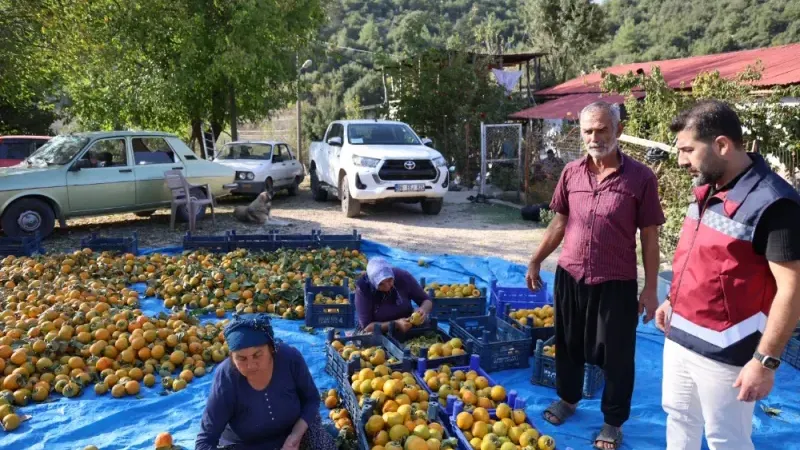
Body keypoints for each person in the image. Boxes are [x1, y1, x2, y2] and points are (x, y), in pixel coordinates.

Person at [655, 100, 800, 450]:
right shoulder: (709, 188)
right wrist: (673, 300)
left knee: (726, 439)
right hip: (679, 337)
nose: (681, 160)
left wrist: (764, 362)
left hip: (728, 355)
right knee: (679, 418)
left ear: (722, 145)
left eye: (688, 150)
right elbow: (702, 256)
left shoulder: (774, 204)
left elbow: (793, 289)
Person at [526, 101, 666, 450]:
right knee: (568, 345)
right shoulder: (571, 173)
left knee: (618, 355)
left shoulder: (640, 178)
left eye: (602, 129)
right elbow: (559, 223)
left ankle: (613, 421)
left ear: (618, 130)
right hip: (570, 275)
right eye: (588, 130)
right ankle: (568, 399)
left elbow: (649, 236)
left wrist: (650, 289)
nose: (594, 137)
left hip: (615, 282)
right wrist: (535, 260)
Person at [195, 313, 336, 450]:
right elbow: (205, 440)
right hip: (244, 445)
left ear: (271, 349)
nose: (251, 365)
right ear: (232, 357)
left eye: (257, 355)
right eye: (241, 358)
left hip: (294, 433)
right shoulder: (226, 377)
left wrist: (295, 437)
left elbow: (311, 400)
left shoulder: (290, 359)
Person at [355, 257, 433, 333]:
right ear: (373, 283)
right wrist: (396, 324)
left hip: (408, 326)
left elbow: (426, 300)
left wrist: (423, 310)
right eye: (381, 284)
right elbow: (367, 327)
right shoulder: (363, 289)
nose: (387, 287)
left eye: (389, 280)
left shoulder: (403, 277)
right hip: (378, 332)